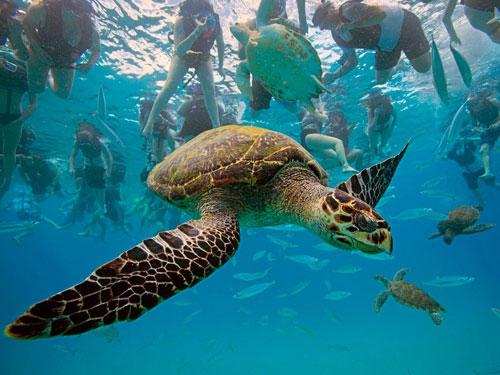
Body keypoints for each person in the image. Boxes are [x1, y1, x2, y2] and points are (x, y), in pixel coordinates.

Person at [142, 0, 224, 139]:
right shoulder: (181, 21)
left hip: (203, 57)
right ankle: (150, 122)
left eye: (208, 19)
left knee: (209, 90)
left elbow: (221, 45)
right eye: (200, 19)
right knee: (169, 87)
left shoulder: (216, 23)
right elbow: (180, 51)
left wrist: (221, 67)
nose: (206, 24)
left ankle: (217, 126)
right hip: (183, 57)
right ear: (192, 18)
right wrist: (197, 32)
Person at [312, 0, 431, 84]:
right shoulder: (338, 36)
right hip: (387, 46)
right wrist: (334, 75)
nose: (323, 27)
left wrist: (351, 25)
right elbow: (352, 61)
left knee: (423, 68)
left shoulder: (346, 10)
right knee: (381, 80)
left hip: (403, 24)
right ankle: (399, 65)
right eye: (320, 27)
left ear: (330, 11)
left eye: (323, 22)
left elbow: (380, 14)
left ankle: (431, 44)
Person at [236, 0, 307, 116]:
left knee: (294, 109)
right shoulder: (251, 25)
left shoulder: (288, 24)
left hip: (283, 76)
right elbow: (241, 55)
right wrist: (248, 36)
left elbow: (301, 50)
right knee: (254, 113)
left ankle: (306, 115)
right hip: (261, 76)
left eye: (278, 5)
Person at [22, 0, 101, 98]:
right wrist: (38, 50)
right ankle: (36, 70)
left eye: (82, 10)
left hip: (65, 60)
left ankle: (50, 74)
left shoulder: (91, 29)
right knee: (36, 89)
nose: (77, 13)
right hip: (41, 52)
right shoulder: (43, 8)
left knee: (63, 94)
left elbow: (97, 50)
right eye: (74, 7)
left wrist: (89, 64)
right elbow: (27, 24)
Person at [0, 55, 37, 204]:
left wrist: (20, 120)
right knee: (9, 152)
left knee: (10, 151)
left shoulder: (28, 74)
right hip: (14, 117)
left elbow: (33, 104)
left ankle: (7, 181)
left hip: (14, 118)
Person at [69, 121, 112, 237]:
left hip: (100, 167)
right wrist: (71, 167)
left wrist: (108, 171)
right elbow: (73, 156)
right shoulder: (77, 142)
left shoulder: (99, 142)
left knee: (101, 188)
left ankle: (102, 207)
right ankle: (98, 205)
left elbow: (108, 157)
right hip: (88, 166)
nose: (84, 141)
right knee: (93, 187)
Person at [299, 108, 358, 173]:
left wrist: (326, 131)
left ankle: (314, 172)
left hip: (310, 140)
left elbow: (317, 135)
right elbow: (325, 118)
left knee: (335, 158)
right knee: (338, 142)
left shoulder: (313, 112)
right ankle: (345, 166)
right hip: (308, 137)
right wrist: (323, 110)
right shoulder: (312, 109)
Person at [447, 136, 500, 205]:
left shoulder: (468, 144)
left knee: (491, 183)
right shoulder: (452, 152)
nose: (457, 142)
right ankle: (482, 203)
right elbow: (446, 157)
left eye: (458, 140)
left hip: (479, 168)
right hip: (468, 173)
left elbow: (482, 140)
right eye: (455, 141)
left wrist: (468, 139)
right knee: (474, 190)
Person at [467, 96, 500, 180]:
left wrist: (497, 124)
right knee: (482, 151)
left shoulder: (493, 101)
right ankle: (488, 172)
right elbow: (474, 126)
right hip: (487, 131)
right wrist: (480, 130)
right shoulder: (472, 112)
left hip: (498, 124)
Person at [139, 98, 177, 166]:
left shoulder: (164, 113)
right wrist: (148, 124)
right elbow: (142, 131)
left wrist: (164, 120)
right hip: (156, 134)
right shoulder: (143, 114)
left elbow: (174, 127)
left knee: (170, 137)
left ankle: (174, 151)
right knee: (158, 158)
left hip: (165, 130)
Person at [362, 91, 397, 157]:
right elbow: (371, 127)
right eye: (379, 104)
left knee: (383, 144)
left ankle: (380, 150)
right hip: (373, 129)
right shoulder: (371, 111)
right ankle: (372, 154)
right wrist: (376, 116)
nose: (381, 107)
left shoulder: (390, 107)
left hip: (385, 128)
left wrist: (391, 130)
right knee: (373, 145)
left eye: (383, 104)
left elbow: (395, 118)